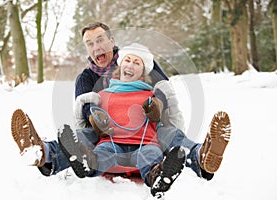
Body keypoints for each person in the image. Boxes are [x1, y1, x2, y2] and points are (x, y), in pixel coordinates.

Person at [58, 43, 186, 198]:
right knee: (103, 153)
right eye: (127, 60)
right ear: (120, 66)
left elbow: (169, 120)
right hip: (111, 142)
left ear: (143, 72)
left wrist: (160, 107)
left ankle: (157, 177)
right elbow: (90, 123)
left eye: (137, 62)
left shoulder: (152, 95)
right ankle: (86, 163)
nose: (130, 65)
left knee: (151, 155)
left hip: (145, 143)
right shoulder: (103, 95)